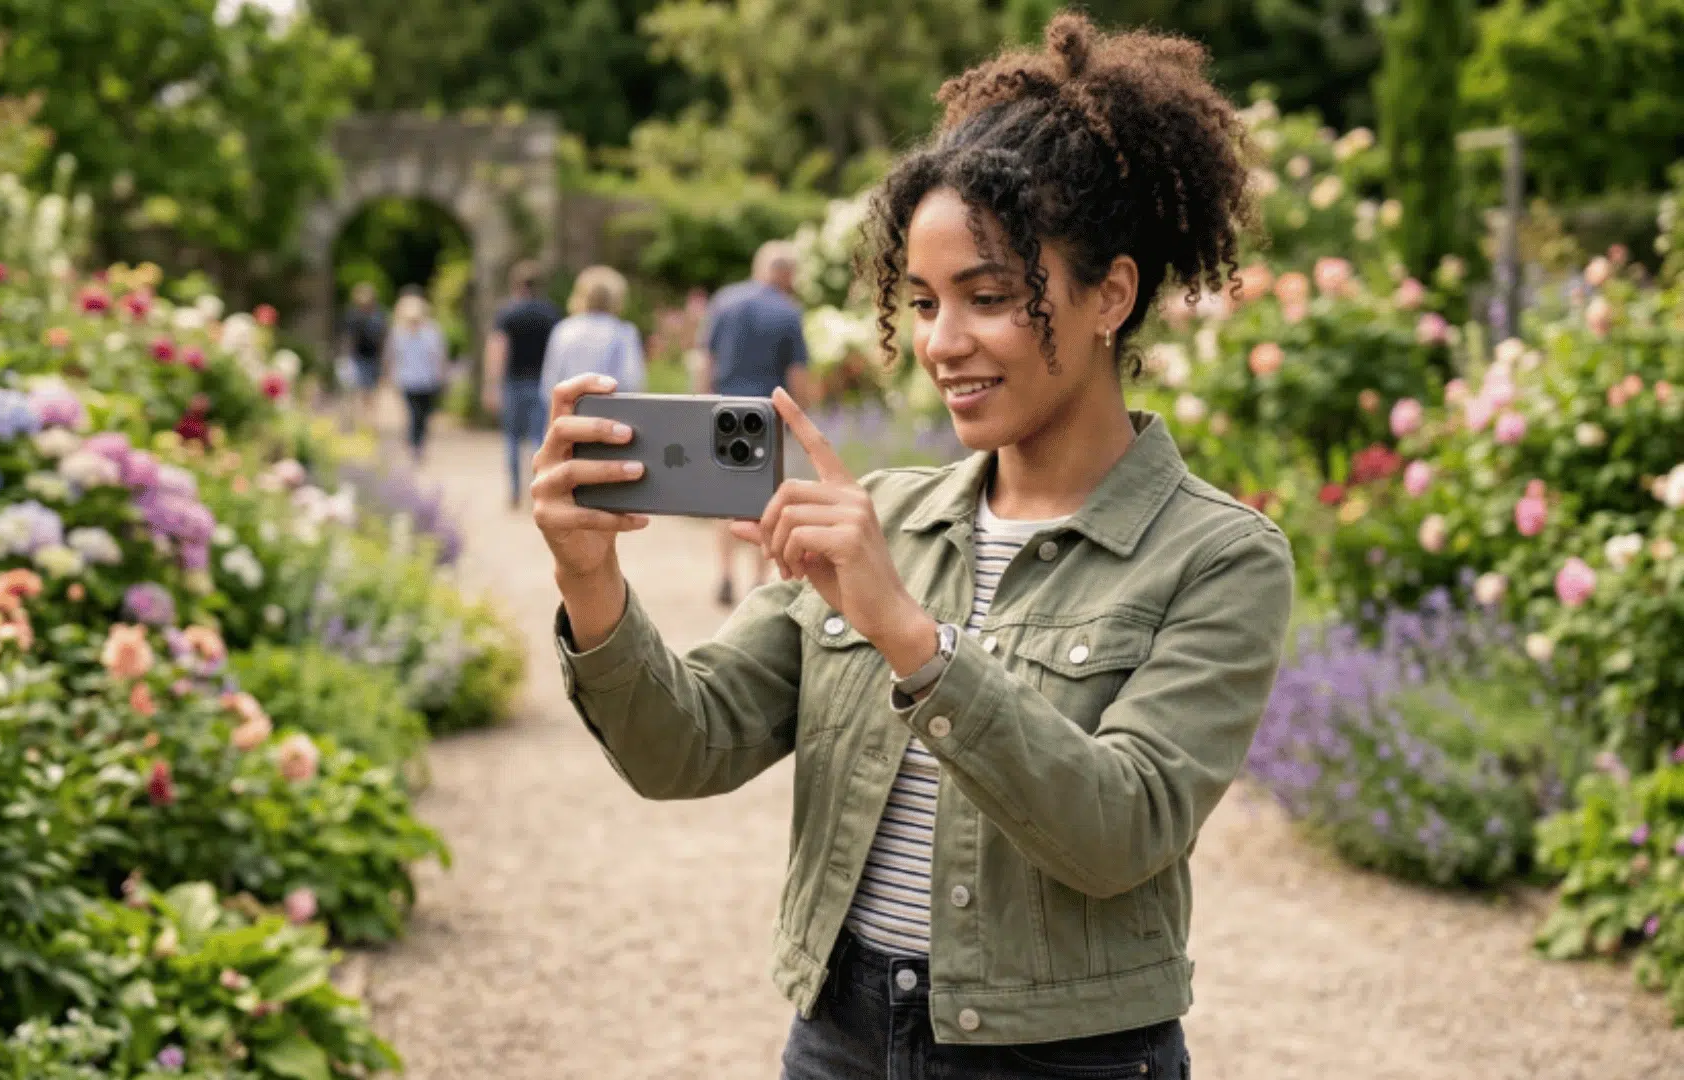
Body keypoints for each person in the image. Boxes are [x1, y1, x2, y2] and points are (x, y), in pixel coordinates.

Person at [529, 14, 1293, 1080]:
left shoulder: (1220, 556)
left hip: (1065, 1059)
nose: (940, 344)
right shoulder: (882, 511)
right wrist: (590, 580)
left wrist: (909, 635)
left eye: (990, 298)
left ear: (1111, 295)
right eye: (925, 303)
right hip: (838, 1038)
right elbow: (684, 746)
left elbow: (1123, 831)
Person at [696, 240, 815, 607]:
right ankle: (758, 582)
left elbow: (706, 361)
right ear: (788, 274)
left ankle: (724, 575)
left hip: (726, 411)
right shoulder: (788, 313)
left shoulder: (724, 302)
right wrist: (801, 420)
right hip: (768, 415)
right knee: (766, 500)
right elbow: (797, 375)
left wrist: (703, 407)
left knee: (725, 497)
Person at [484, 260, 564, 508]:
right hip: (542, 385)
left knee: (511, 439)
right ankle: (539, 489)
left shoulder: (507, 313)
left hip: (514, 383)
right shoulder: (551, 314)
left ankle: (515, 493)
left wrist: (491, 385)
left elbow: (498, 349)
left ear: (516, 284)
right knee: (539, 439)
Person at [538, 265, 646, 398]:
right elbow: (632, 382)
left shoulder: (564, 330)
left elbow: (550, 383)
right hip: (610, 411)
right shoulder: (623, 332)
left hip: (570, 410)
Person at [385, 286, 450, 466]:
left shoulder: (431, 332)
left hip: (427, 381)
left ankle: (418, 442)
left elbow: (440, 356)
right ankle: (415, 444)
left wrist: (443, 377)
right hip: (407, 380)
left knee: (424, 415)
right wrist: (390, 376)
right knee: (413, 414)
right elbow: (392, 357)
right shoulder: (398, 332)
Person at [335, 281, 387, 429]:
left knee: (370, 391)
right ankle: (355, 421)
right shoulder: (352, 315)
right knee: (354, 390)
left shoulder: (378, 315)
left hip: (373, 358)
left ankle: (368, 421)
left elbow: (383, 337)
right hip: (356, 357)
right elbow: (347, 337)